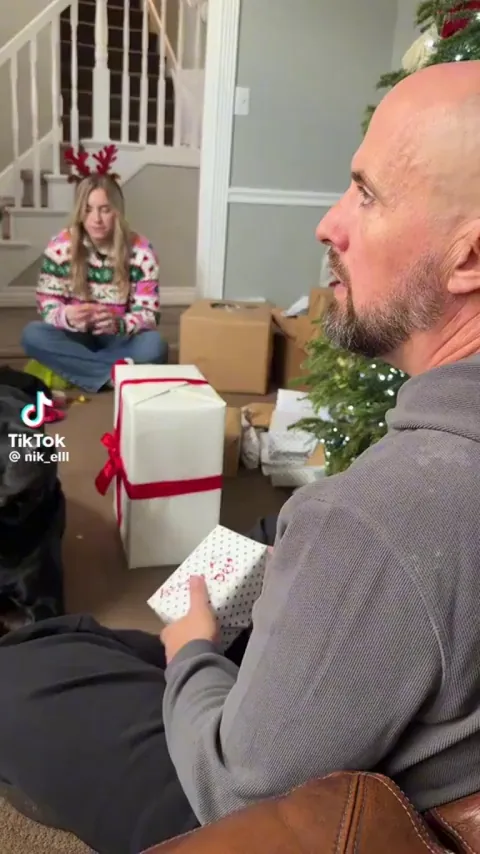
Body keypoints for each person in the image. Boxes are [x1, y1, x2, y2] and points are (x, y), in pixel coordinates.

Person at [3, 59, 480, 854]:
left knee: (25, 675)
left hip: (272, 809)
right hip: (348, 714)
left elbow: (238, 789)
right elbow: (52, 312)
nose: (329, 223)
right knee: (84, 637)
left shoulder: (385, 515)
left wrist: (191, 646)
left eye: (366, 193)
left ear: (470, 258)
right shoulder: (394, 509)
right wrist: (79, 314)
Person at [21, 173, 168, 393]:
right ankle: (113, 374)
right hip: (75, 335)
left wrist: (118, 323)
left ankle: (82, 369)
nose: (96, 219)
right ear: (80, 212)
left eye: (105, 209)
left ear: (117, 211)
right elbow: (46, 304)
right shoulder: (60, 246)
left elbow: (149, 315)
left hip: (118, 338)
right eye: (88, 209)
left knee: (155, 347)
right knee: (32, 335)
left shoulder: (141, 251)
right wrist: (67, 315)